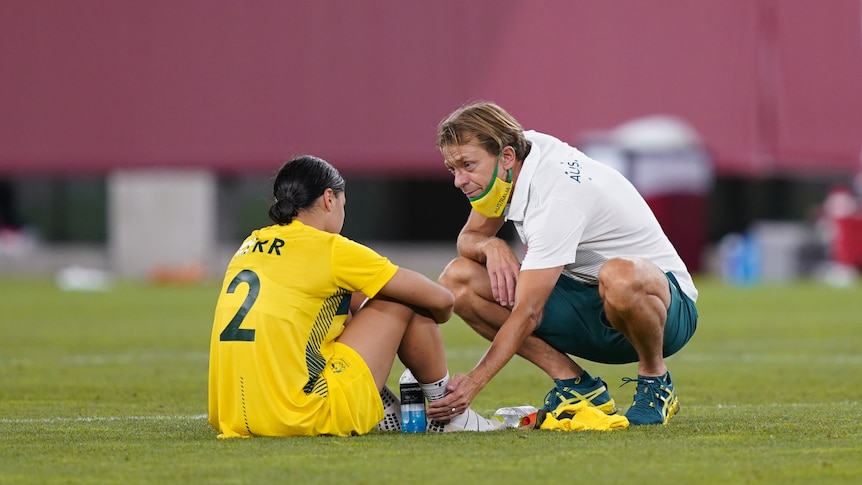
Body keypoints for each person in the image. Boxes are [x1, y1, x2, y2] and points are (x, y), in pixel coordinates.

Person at [427, 102, 699, 426]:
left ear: (507, 157)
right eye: (452, 169)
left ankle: (655, 380)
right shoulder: (516, 152)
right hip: (587, 296)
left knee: (620, 276)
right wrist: (490, 244)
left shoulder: (554, 196)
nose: (459, 180)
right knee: (458, 280)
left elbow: (529, 313)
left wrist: (475, 381)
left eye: (467, 165)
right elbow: (469, 236)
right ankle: (577, 387)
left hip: (667, 311)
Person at [208, 155, 502, 437]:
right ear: (328, 199)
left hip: (233, 417)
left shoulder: (250, 243)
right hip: (299, 415)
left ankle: (386, 409)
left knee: (341, 306)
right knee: (402, 299)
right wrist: (429, 318)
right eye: (342, 204)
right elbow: (441, 299)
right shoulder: (331, 248)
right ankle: (450, 414)